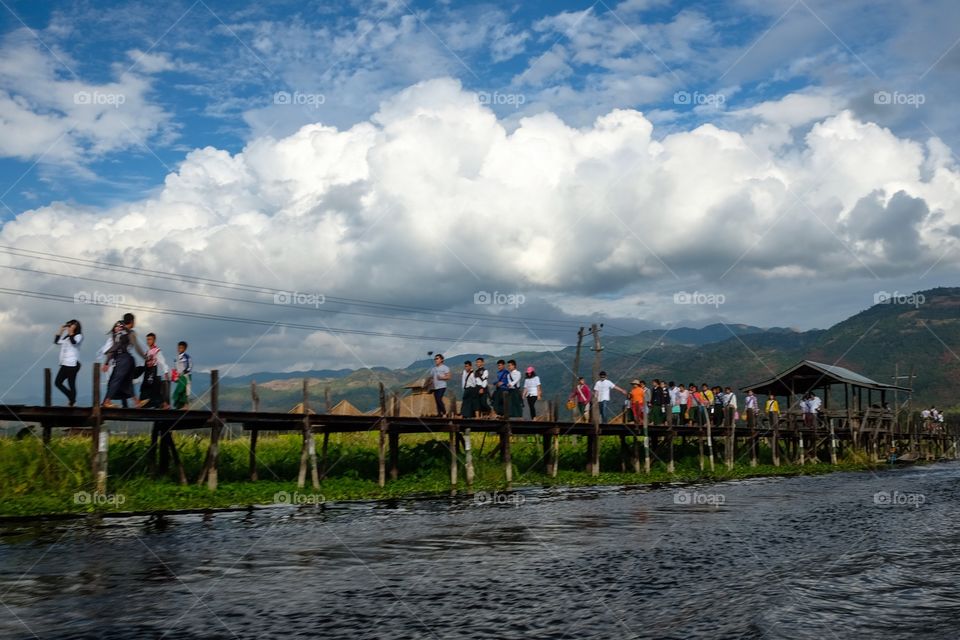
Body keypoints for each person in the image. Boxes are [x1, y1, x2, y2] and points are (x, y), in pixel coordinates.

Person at [99, 313, 146, 408]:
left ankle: (136, 402)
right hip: (125, 359)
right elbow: (136, 347)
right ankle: (106, 401)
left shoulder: (118, 331)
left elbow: (114, 347)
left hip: (120, 358)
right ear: (132, 321)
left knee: (127, 381)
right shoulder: (130, 332)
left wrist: (107, 361)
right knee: (117, 379)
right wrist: (145, 357)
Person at [54, 319, 83, 406]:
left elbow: (74, 343)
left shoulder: (79, 336)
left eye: (71, 325)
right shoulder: (67, 337)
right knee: (57, 383)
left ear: (76, 326)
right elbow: (57, 342)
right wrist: (61, 331)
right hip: (64, 363)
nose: (69, 327)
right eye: (69, 326)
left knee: (71, 383)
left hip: (73, 364)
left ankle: (72, 401)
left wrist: (70, 332)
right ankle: (72, 398)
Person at [138, 333, 170, 408]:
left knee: (153, 389)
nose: (148, 341)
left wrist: (166, 372)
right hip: (147, 371)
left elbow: (162, 362)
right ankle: (142, 403)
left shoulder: (157, 351)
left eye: (150, 339)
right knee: (145, 387)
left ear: (154, 340)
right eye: (147, 339)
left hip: (153, 371)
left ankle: (164, 404)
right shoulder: (147, 351)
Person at [171, 341, 192, 410]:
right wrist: (175, 374)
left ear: (185, 349)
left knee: (184, 390)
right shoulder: (176, 358)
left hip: (186, 376)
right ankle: (180, 406)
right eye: (179, 348)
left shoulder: (187, 357)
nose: (180, 349)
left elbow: (189, 366)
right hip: (180, 376)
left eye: (181, 348)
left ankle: (186, 406)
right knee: (180, 390)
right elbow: (176, 367)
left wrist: (185, 371)